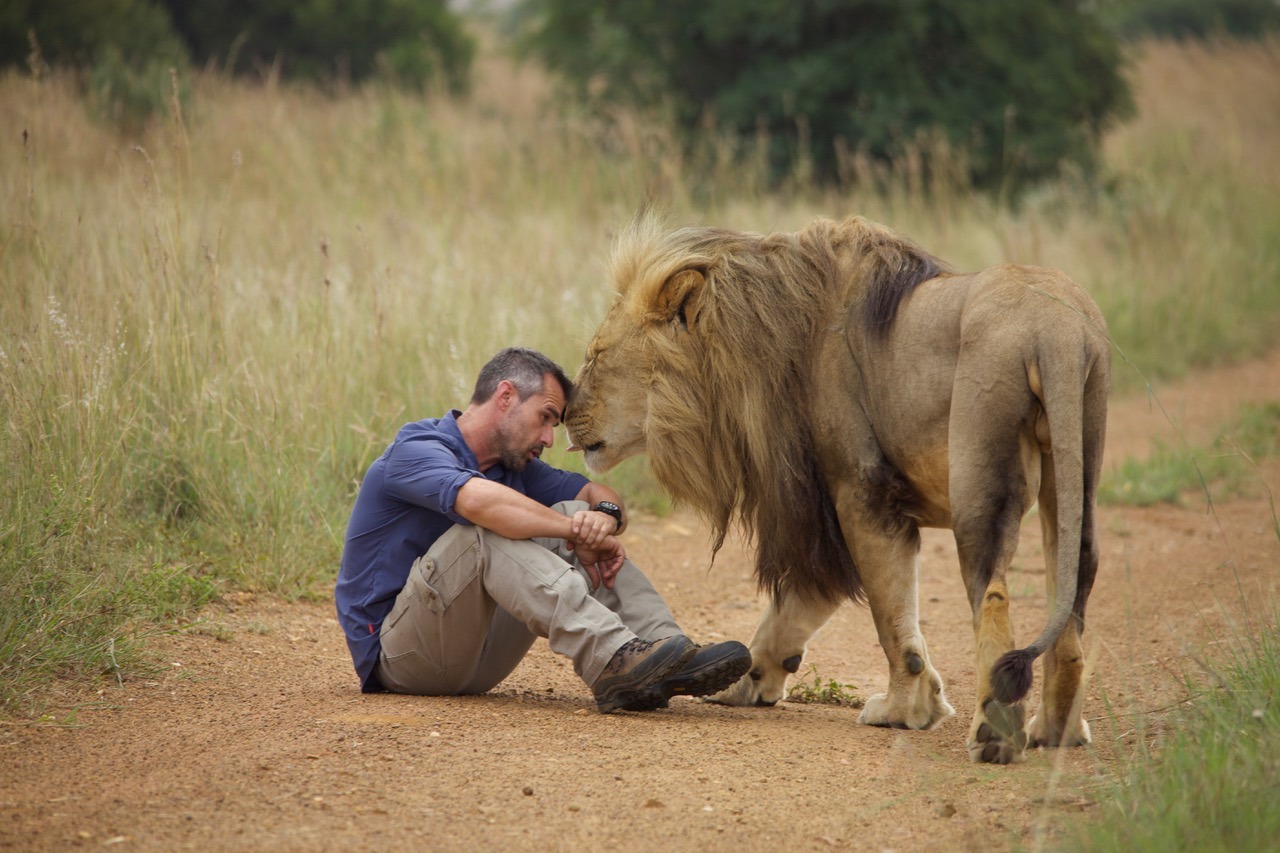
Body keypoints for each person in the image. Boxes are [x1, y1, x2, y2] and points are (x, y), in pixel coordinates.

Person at [334, 347, 752, 712]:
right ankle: (612, 659)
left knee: (568, 509)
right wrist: (574, 529)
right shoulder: (416, 449)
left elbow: (597, 493)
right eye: (546, 418)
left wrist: (601, 517)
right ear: (505, 397)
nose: (551, 438)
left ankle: (669, 652)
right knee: (484, 530)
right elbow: (478, 503)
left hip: (476, 661)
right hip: (399, 657)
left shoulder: (512, 467)